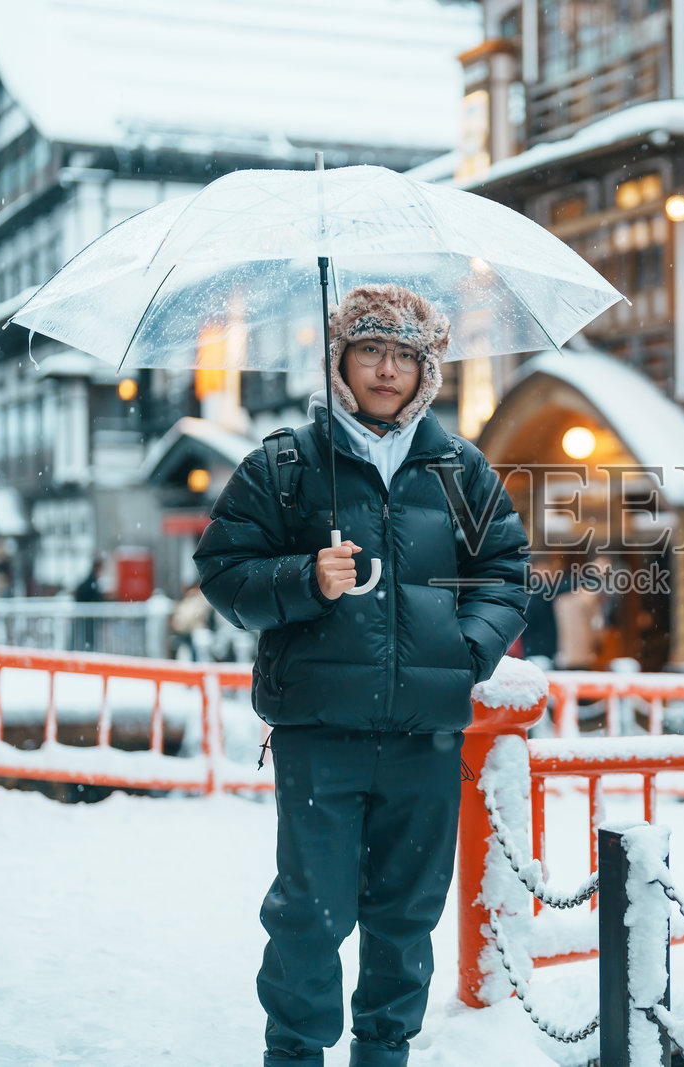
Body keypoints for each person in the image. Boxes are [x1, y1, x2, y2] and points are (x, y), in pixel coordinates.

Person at [194, 283, 529, 1067]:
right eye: (372, 349)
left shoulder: (459, 467)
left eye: (406, 355)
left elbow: (505, 571)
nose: (387, 368)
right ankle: (296, 1055)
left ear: (426, 370)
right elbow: (222, 574)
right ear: (340, 357)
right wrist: (306, 577)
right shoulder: (285, 463)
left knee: (406, 916)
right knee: (310, 913)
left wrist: (466, 650)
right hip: (320, 733)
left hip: (426, 734)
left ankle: (385, 1054)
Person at [167, 581, 213, 660]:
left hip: (192, 632)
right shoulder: (188, 600)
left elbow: (192, 616)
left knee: (193, 656)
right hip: (186, 632)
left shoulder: (196, 599)